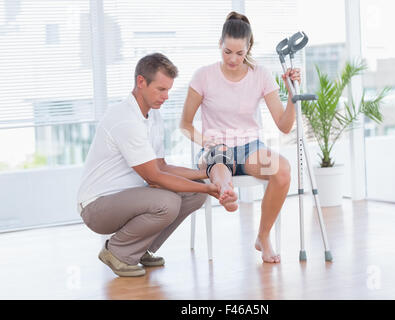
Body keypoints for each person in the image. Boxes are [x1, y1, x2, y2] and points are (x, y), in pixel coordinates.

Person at [77, 53, 224, 277]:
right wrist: (209, 188)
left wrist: (202, 174)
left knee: (194, 194)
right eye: (161, 89)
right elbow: (154, 176)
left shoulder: (153, 116)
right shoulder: (125, 118)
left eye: (168, 90)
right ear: (141, 82)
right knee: (168, 201)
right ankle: (116, 251)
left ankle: (136, 250)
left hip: (129, 197)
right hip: (97, 207)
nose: (165, 96)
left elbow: (161, 166)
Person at [180, 12, 300, 263]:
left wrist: (291, 93)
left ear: (249, 48)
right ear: (220, 45)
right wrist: (205, 141)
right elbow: (185, 125)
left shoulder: (261, 75)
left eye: (239, 53)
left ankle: (263, 236)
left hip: (250, 148)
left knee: (283, 170)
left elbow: (285, 126)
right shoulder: (203, 76)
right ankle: (226, 191)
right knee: (220, 159)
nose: (233, 59)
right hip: (215, 147)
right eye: (227, 52)